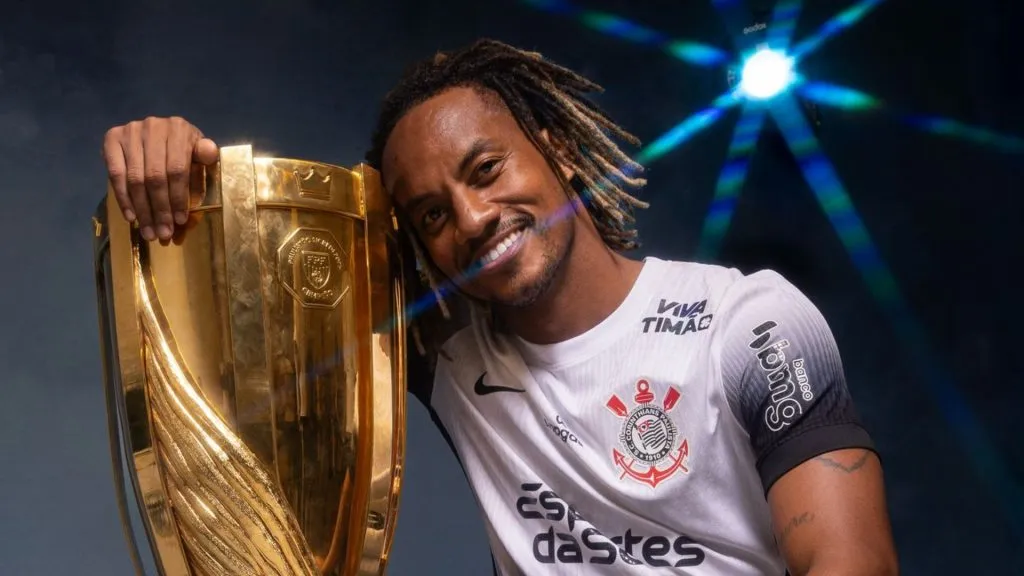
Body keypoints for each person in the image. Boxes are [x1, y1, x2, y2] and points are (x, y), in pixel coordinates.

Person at [101, 39, 898, 575]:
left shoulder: (747, 324)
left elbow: (849, 564)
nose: (473, 220)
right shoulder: (447, 349)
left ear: (554, 146)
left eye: (485, 169)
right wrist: (181, 172)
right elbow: (264, 297)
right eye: (433, 216)